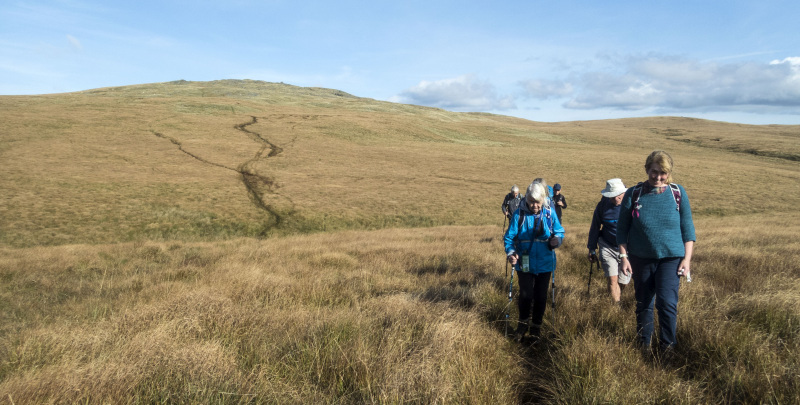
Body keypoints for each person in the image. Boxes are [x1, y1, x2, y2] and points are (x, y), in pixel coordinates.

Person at [617, 150, 696, 360]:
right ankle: (643, 346)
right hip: (640, 258)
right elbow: (622, 229)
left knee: (667, 303)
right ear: (646, 170)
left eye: (663, 173)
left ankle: (667, 349)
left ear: (669, 173)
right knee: (643, 303)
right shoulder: (634, 194)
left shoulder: (677, 193)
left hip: (671, 259)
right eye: (654, 172)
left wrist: (687, 260)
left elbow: (688, 230)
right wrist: (624, 257)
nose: (658, 177)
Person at [504, 181, 565, 343]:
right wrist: (511, 253)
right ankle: (522, 324)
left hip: (545, 262)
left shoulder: (549, 213)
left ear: (543, 200)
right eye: (531, 202)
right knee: (526, 294)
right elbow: (509, 238)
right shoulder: (519, 214)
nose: (535, 205)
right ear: (527, 199)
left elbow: (559, 231)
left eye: (537, 202)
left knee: (540, 296)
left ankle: (536, 328)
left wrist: (556, 241)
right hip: (524, 260)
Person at [587, 178, 629, 303]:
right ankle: (616, 306)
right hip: (607, 246)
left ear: (623, 193)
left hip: (627, 249)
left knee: (623, 281)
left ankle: (616, 297)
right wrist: (591, 249)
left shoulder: (631, 205)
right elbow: (595, 227)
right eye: (612, 196)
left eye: (618, 195)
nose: (615, 199)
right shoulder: (602, 206)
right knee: (612, 280)